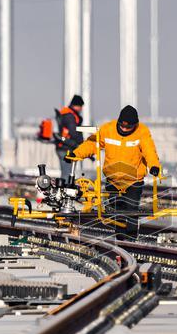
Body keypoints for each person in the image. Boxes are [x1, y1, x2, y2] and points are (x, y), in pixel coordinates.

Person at [69, 105, 160, 240]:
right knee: (117, 212)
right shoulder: (108, 129)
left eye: (128, 127)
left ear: (135, 125)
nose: (124, 129)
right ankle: (120, 240)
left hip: (133, 181)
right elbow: (92, 144)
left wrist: (154, 166)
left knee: (131, 211)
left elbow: (149, 151)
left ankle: (130, 241)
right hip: (113, 179)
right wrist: (75, 154)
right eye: (122, 126)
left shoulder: (142, 132)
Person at [54, 94, 85, 179]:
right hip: (66, 148)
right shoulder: (70, 116)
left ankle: (64, 190)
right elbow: (74, 133)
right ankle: (64, 191)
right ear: (77, 105)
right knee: (67, 175)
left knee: (67, 174)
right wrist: (82, 144)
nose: (81, 109)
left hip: (64, 147)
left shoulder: (66, 113)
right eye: (81, 106)